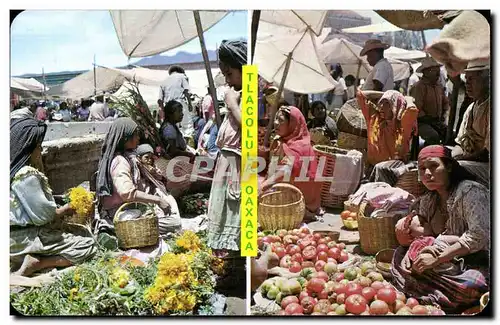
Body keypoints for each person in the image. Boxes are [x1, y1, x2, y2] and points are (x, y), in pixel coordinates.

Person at [391, 145, 489, 313]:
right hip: (441, 258)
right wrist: (412, 250)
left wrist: (438, 259)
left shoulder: (469, 191)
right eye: (422, 169)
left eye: (434, 166)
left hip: (474, 259)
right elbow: (424, 236)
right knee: (400, 255)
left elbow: (478, 236)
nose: (427, 173)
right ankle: (431, 290)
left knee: (472, 285)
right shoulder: (429, 200)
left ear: (449, 167)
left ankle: (425, 289)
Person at [10, 118, 97, 276]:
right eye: (38, 147)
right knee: (88, 245)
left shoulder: (12, 170)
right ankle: (38, 263)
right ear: (27, 149)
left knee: (78, 232)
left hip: (14, 238)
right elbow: (44, 217)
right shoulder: (26, 175)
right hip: (27, 239)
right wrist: (67, 208)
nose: (41, 150)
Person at [95, 117, 179, 234]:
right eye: (135, 135)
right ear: (126, 139)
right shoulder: (120, 162)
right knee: (174, 224)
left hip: (130, 209)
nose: (138, 138)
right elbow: (127, 193)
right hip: (121, 214)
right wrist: (158, 200)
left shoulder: (128, 157)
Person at [206, 40, 246, 255]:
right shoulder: (239, 91)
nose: (228, 81)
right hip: (228, 163)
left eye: (230, 74)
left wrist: (231, 104)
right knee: (223, 213)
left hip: (237, 166)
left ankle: (237, 265)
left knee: (234, 214)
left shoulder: (251, 94)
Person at [260, 106, 323, 221]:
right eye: (275, 119)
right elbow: (273, 168)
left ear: (292, 124)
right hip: (283, 186)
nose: (275, 123)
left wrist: (265, 185)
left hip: (301, 196)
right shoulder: (280, 141)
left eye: (281, 120)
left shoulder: (301, 145)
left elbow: (289, 168)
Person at [451, 60, 490, 186]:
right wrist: (450, 157)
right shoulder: (471, 107)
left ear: (487, 81)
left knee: (452, 169)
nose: (467, 84)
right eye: (466, 79)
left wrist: (457, 160)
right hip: (471, 160)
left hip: (488, 166)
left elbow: (487, 154)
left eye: (472, 79)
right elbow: (460, 143)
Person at [358, 90, 418, 166]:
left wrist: (408, 99)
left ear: (396, 106)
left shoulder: (402, 126)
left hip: (392, 172)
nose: (382, 107)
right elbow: (361, 95)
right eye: (381, 102)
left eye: (387, 104)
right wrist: (387, 94)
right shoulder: (374, 119)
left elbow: (411, 110)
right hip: (372, 169)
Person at [411, 57, 449, 146]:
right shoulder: (418, 87)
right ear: (426, 72)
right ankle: (426, 155)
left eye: (438, 71)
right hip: (421, 122)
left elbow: (445, 102)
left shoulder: (438, 86)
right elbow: (417, 109)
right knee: (433, 136)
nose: (438, 74)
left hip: (436, 121)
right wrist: (431, 120)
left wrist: (443, 114)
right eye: (435, 71)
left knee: (450, 134)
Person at [158, 65, 195, 143]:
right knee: (187, 125)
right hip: (179, 103)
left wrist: (162, 112)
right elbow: (186, 91)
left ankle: (176, 145)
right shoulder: (182, 76)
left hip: (168, 106)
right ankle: (188, 145)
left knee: (174, 126)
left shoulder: (164, 81)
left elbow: (160, 100)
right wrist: (190, 104)